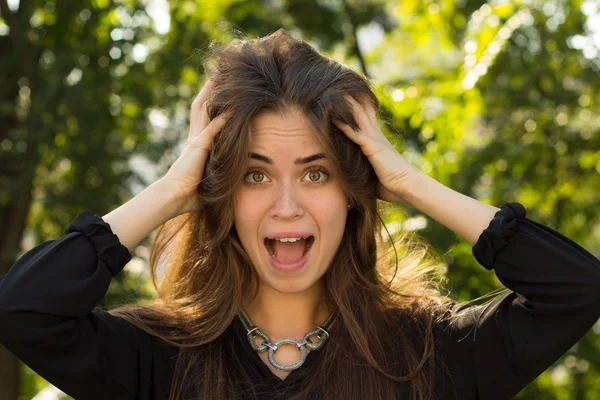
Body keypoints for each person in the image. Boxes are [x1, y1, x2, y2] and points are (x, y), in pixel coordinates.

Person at [1, 29, 599, 400]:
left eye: (317, 173)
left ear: (352, 194)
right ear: (222, 194)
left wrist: (409, 182)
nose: (286, 205)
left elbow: (577, 289)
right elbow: (23, 310)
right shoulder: (157, 357)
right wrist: (174, 188)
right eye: (254, 175)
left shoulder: (428, 357)